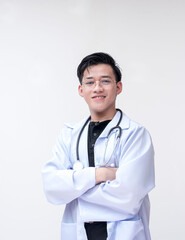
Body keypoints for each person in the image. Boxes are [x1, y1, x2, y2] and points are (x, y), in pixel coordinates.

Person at [42, 52, 155, 240]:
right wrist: (100, 175)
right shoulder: (69, 135)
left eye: (105, 81)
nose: (97, 88)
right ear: (80, 90)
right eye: (90, 82)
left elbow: (128, 196)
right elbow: (52, 187)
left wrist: (74, 189)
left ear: (118, 87)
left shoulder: (135, 135)